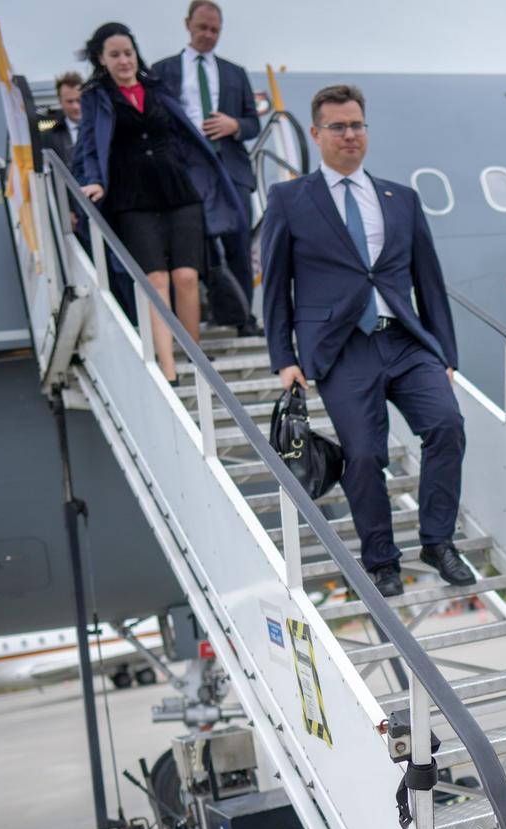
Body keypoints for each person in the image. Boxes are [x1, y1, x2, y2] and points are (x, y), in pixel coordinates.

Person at [260, 85, 469, 599]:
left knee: (447, 425)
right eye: (338, 127)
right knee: (365, 454)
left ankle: (438, 542)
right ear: (316, 134)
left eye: (357, 125)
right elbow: (276, 283)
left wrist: (445, 352)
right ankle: (381, 561)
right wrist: (283, 358)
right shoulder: (290, 200)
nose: (350, 135)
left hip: (405, 340)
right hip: (341, 349)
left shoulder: (401, 198)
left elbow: (428, 279)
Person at [71, 21, 244, 383]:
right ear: (101, 60)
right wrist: (94, 182)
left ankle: (195, 360)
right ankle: (168, 367)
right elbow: (88, 147)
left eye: (128, 53)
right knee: (155, 280)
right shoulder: (96, 98)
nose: (124, 61)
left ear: (136, 55)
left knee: (185, 276)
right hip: (132, 197)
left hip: (178, 191)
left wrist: (200, 173)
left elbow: (183, 135)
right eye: (115, 55)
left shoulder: (157, 88)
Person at [151, 0, 263, 335]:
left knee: (239, 244)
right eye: (202, 28)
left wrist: (235, 126)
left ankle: (243, 318)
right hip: (186, 171)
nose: (208, 35)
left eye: (215, 30)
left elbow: (253, 124)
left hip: (230, 168)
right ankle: (213, 310)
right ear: (188, 25)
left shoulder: (235, 72)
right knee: (197, 246)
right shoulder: (162, 70)